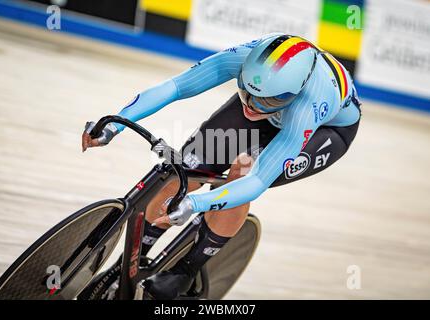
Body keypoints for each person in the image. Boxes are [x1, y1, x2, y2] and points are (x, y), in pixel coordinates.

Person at [82, 33, 362, 299]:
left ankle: (186, 271)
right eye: (246, 91)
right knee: (187, 168)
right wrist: (115, 124)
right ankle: (131, 261)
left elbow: (256, 183)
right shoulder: (247, 57)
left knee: (244, 170)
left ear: (292, 94)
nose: (251, 106)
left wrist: (197, 203)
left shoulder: (307, 108)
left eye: (266, 100)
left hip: (326, 132)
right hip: (278, 108)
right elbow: (176, 87)